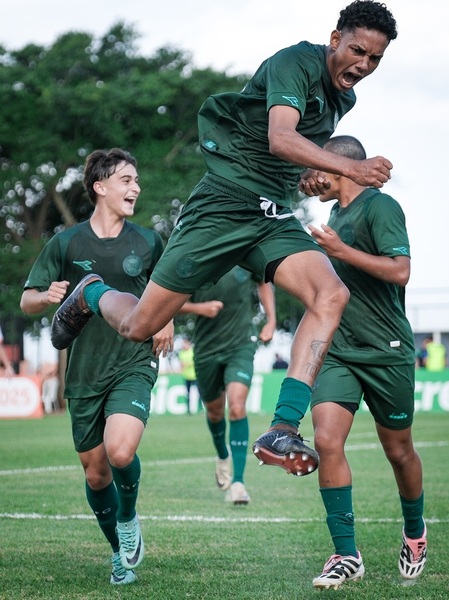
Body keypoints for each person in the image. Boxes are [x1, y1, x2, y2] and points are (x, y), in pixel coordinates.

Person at [50, 1, 398, 478]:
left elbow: (290, 160)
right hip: (223, 202)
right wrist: (350, 167)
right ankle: (91, 293)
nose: (364, 64)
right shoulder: (295, 61)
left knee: (331, 292)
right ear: (335, 39)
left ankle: (282, 427)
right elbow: (279, 137)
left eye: (375, 59)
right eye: (358, 50)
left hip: (270, 214)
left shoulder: (344, 98)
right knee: (138, 327)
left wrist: (311, 177)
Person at [20, 148, 172, 585]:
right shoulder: (66, 243)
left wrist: (170, 319)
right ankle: (117, 553)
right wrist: (45, 296)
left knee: (121, 451)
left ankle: (128, 520)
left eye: (136, 180)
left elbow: (170, 287)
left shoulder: (147, 241)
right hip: (83, 372)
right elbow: (26, 300)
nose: (136, 188)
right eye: (126, 180)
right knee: (96, 469)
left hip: (132, 362)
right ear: (100, 187)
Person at [300, 135, 426, 589]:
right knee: (326, 441)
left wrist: (340, 251)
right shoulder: (335, 213)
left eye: (320, 168)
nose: (314, 178)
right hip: (340, 351)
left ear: (340, 166)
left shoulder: (380, 207)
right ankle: (345, 553)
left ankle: (415, 530)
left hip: (386, 350)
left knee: (399, 451)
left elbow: (400, 270)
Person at [182, 266, 276, 504]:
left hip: (241, 345)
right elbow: (170, 300)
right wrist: (199, 308)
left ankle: (239, 483)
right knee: (214, 412)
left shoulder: (244, 254)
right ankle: (223, 455)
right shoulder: (195, 257)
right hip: (206, 349)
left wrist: (271, 320)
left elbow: (264, 282)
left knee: (236, 406)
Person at [177, 337, 198, 413]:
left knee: (199, 393)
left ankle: (200, 409)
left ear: (189, 343)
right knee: (187, 393)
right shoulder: (181, 353)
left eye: (185, 343)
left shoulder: (192, 351)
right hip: (186, 376)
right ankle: (188, 410)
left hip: (195, 376)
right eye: (183, 343)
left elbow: (195, 362)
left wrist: (187, 364)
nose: (184, 345)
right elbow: (181, 365)